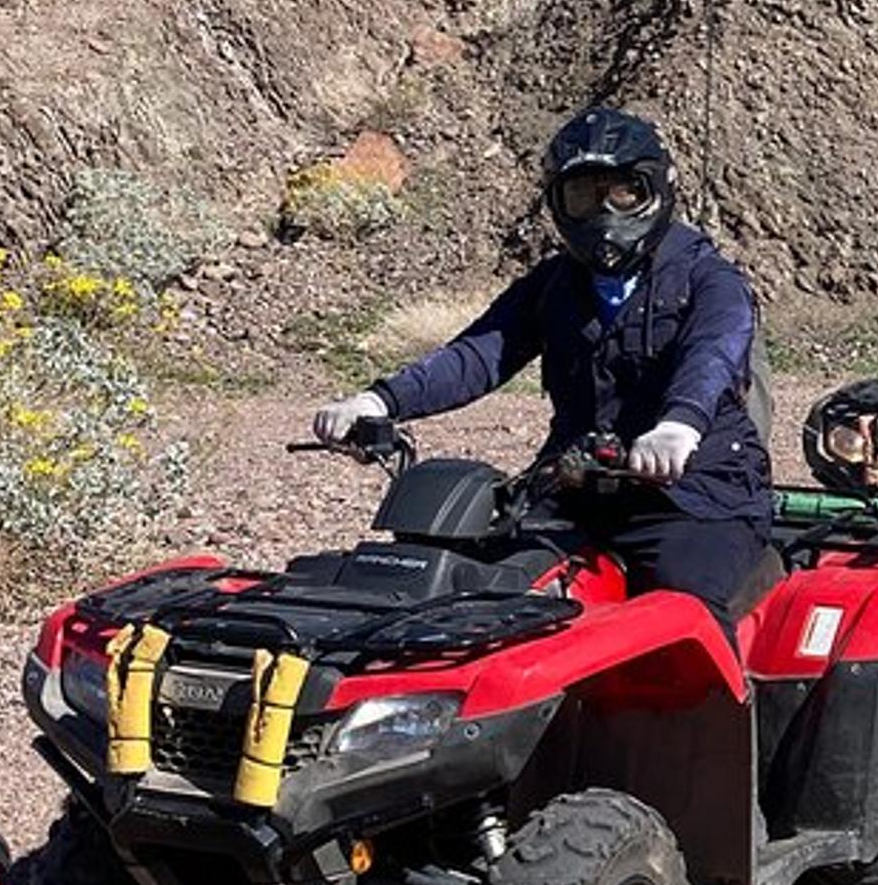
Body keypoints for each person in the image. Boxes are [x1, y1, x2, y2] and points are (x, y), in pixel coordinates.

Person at [311, 106, 772, 617]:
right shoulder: (554, 284)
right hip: (575, 489)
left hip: (694, 495)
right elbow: (479, 354)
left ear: (656, 190)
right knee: (479, 583)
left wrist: (680, 425)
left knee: (680, 609)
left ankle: (720, 671)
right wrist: (380, 401)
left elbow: (714, 353)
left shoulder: (709, 279)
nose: (603, 213)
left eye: (622, 193)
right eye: (583, 197)